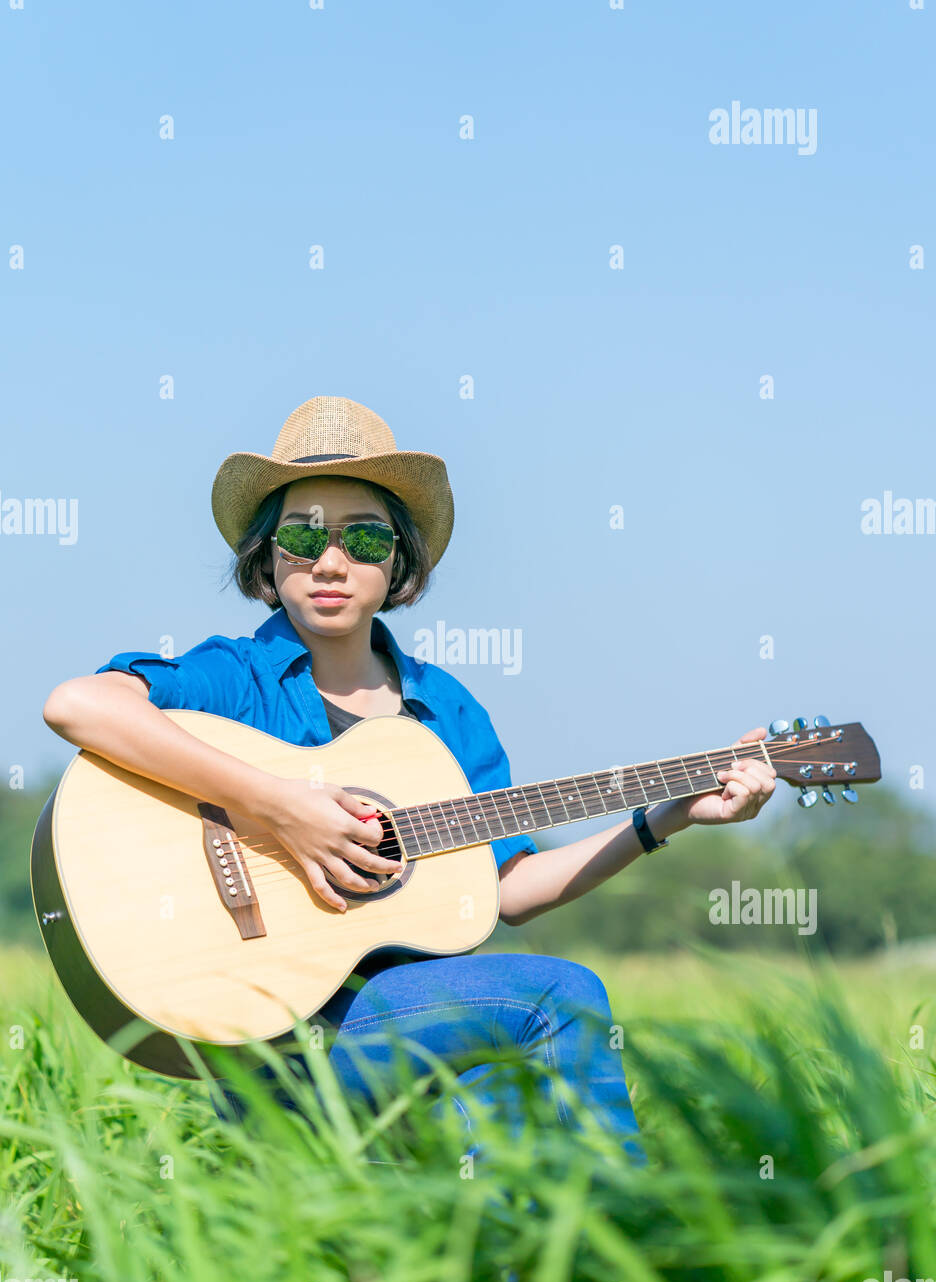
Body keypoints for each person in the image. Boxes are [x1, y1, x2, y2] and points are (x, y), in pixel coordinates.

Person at [42, 395, 776, 1163]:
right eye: (302, 534)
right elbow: (79, 705)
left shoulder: (447, 714)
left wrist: (664, 819)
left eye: (363, 536)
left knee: (502, 1099)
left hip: (399, 1022)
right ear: (267, 556)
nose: (330, 560)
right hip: (271, 1032)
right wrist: (279, 806)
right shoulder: (237, 677)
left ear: (398, 560)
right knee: (566, 995)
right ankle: (652, 1247)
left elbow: (510, 888)